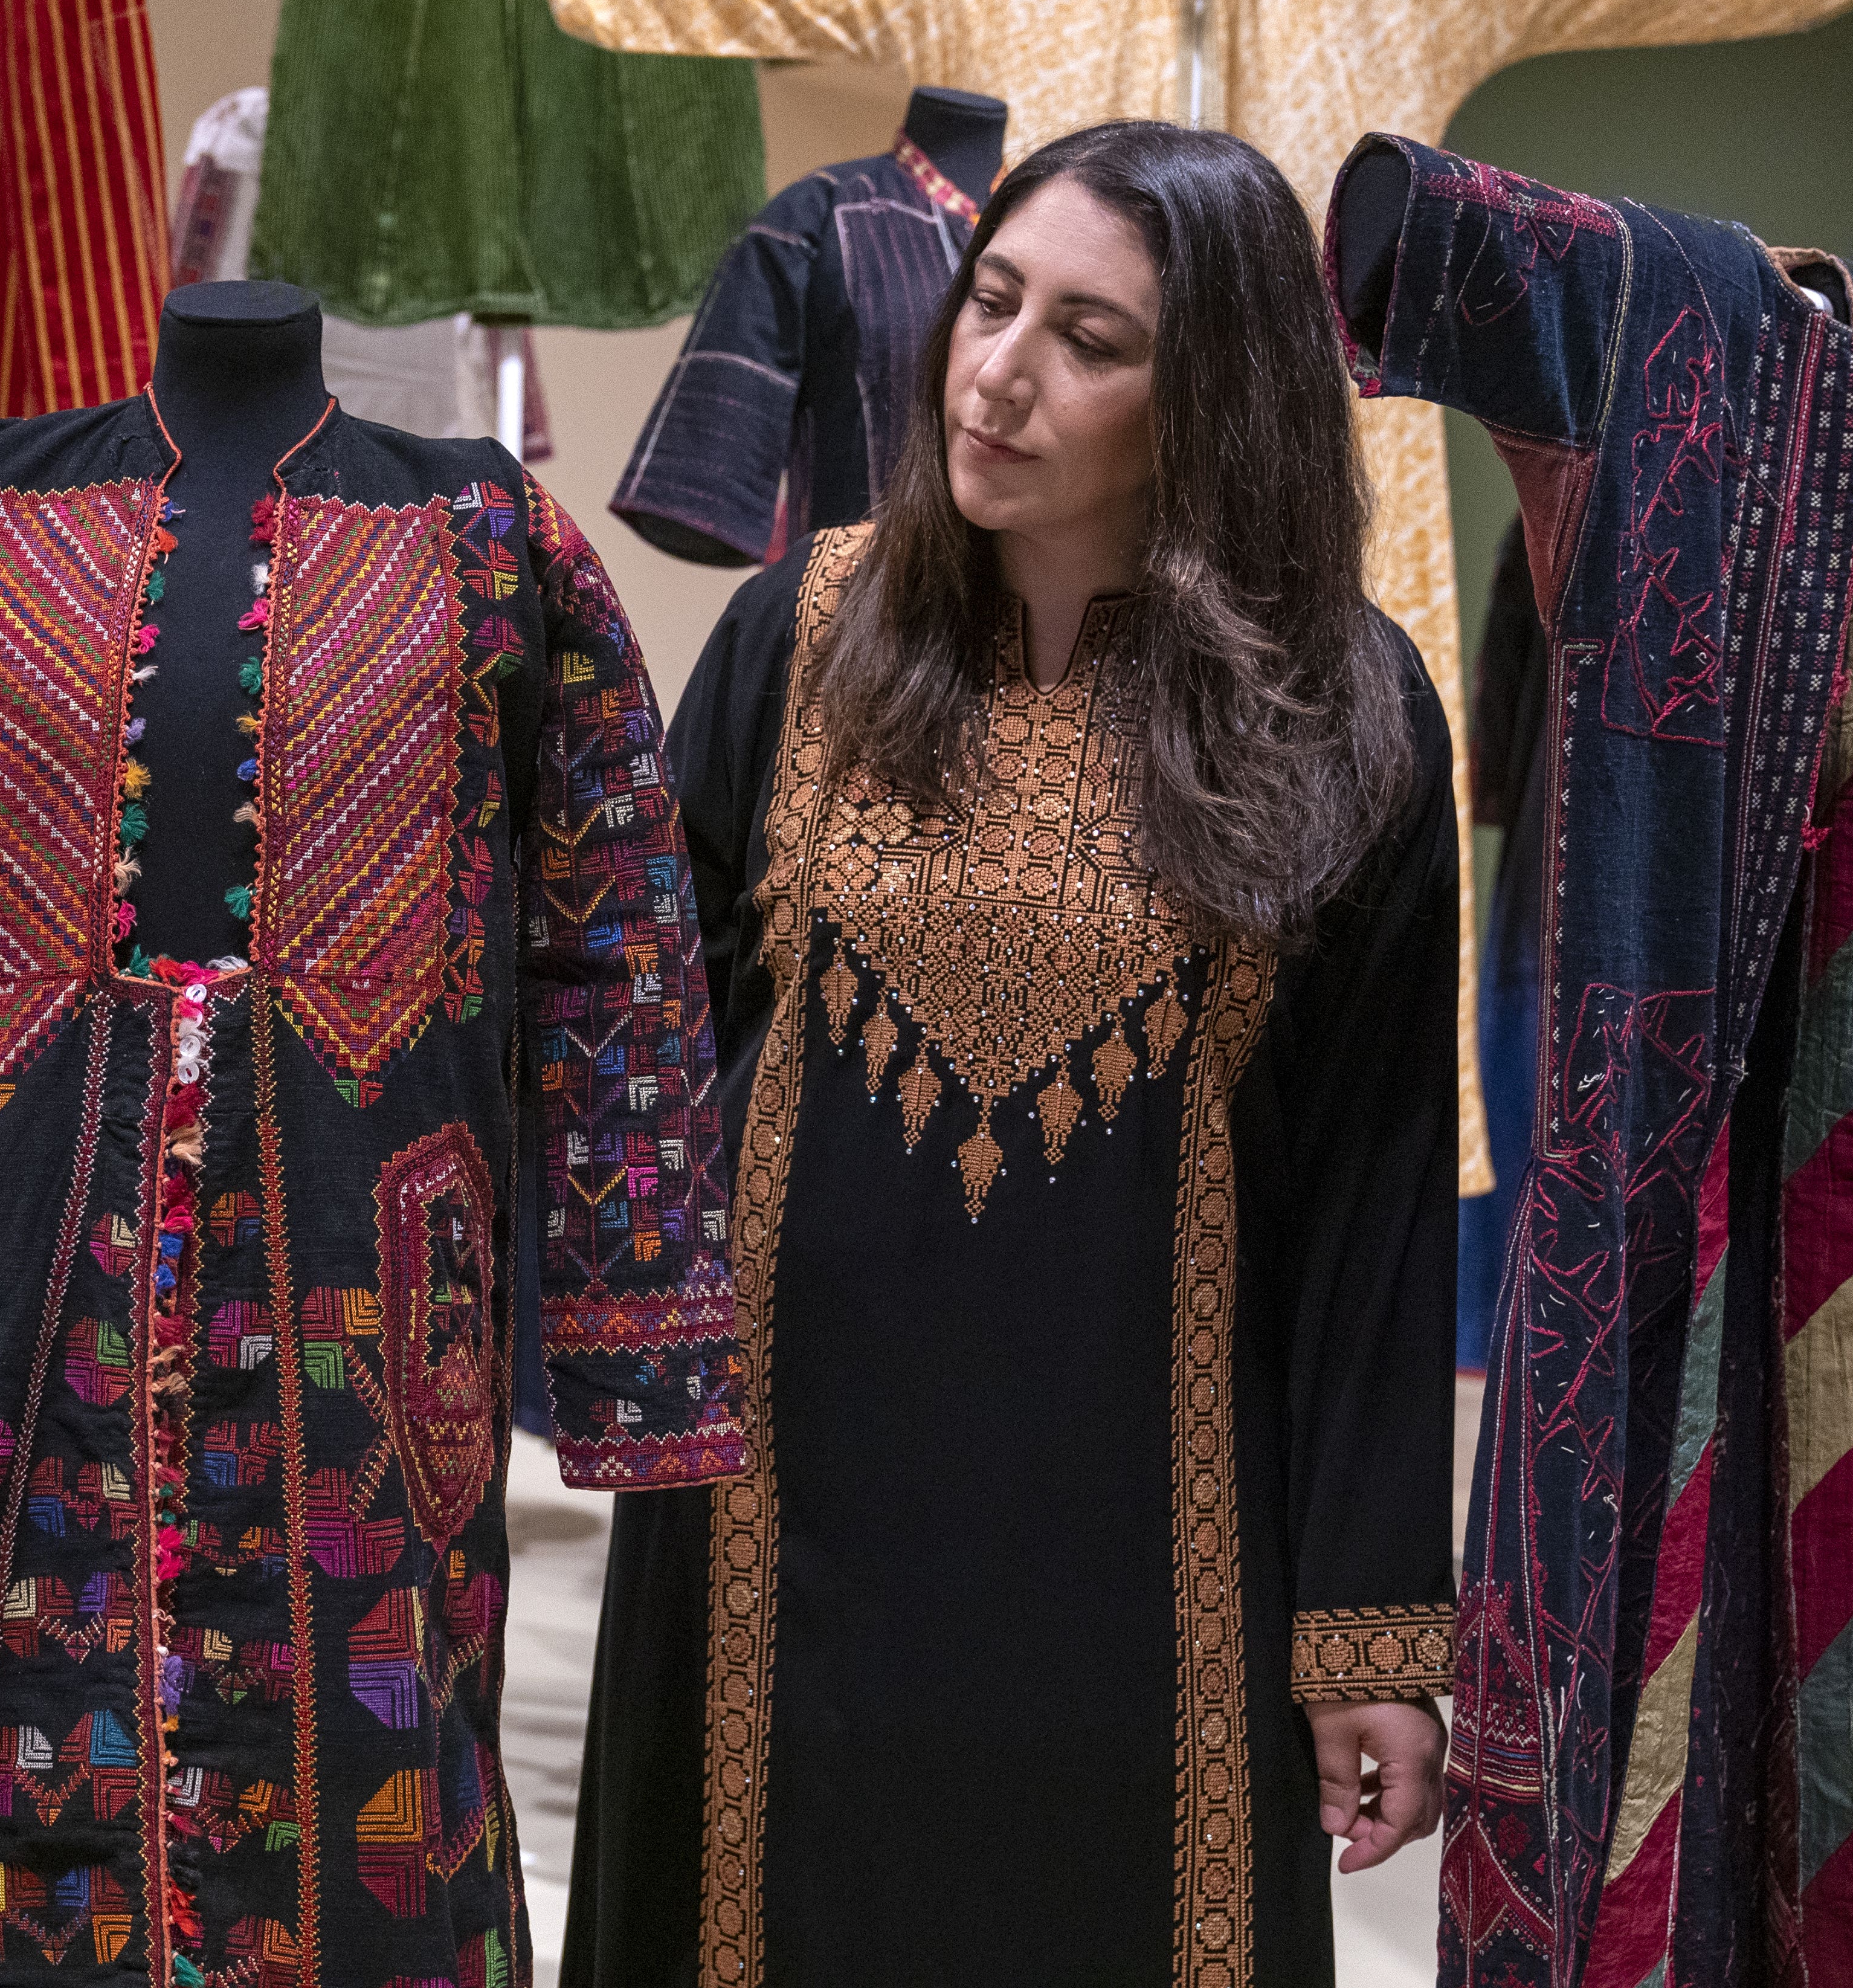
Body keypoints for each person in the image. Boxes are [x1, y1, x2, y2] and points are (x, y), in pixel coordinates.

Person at [562, 120, 1459, 1988]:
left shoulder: (1346, 710)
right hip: (772, 1525)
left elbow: (1378, 1205)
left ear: (1209, 393)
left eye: (1088, 336)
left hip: (1140, 1558)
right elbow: (639, 1056)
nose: (996, 369)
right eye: (988, 300)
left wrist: (1370, 1632)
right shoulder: (794, 639)